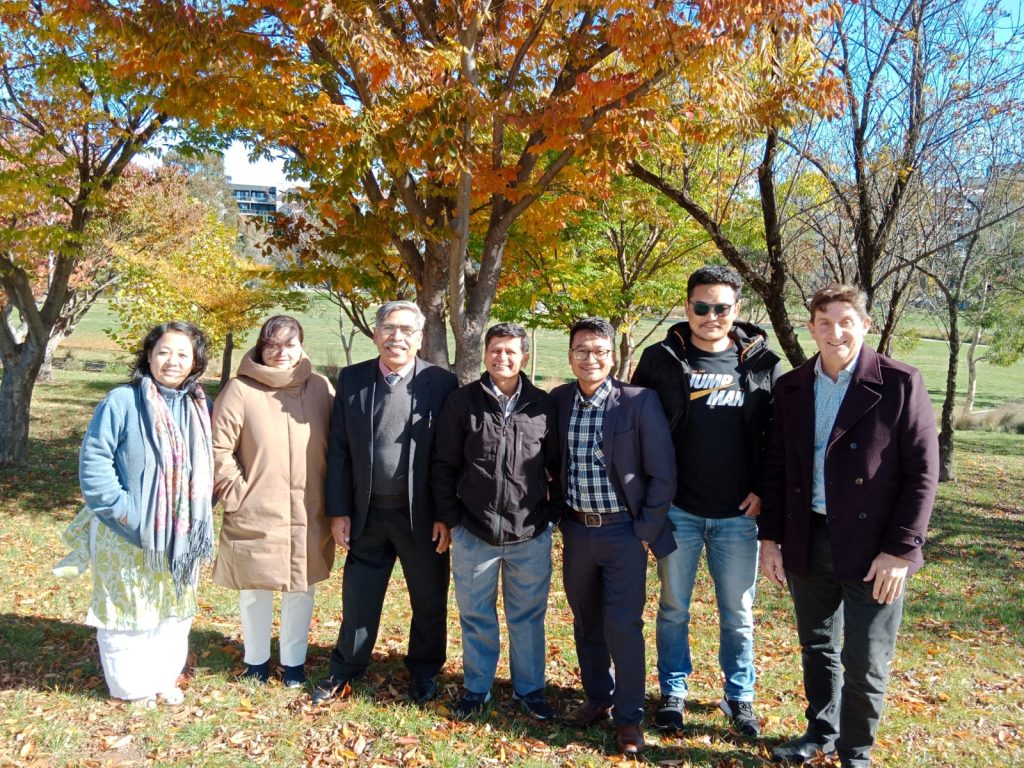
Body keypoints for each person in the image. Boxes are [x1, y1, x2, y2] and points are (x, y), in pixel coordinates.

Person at [758, 285, 939, 767]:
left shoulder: (900, 382)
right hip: (808, 537)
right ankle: (820, 731)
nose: (835, 331)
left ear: (865, 325)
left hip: (874, 548)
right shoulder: (792, 386)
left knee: (865, 660)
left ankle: (854, 752)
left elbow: (924, 472)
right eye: (824, 322)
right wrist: (770, 538)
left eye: (845, 321)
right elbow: (778, 467)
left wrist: (902, 551)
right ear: (811, 327)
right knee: (817, 645)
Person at [631, 265, 783, 736]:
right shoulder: (660, 359)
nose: (710, 315)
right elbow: (635, 426)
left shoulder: (761, 364)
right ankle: (673, 691)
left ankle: (739, 697)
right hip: (679, 512)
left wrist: (765, 489)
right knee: (673, 608)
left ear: (737, 310)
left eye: (721, 307)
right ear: (687, 307)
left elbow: (780, 440)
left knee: (738, 615)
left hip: (740, 517)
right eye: (702, 306)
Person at [312, 300, 458, 705]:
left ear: (420, 337)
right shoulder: (353, 379)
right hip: (366, 513)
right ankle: (346, 668)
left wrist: (446, 515)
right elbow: (339, 449)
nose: (397, 337)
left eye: (407, 330)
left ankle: (425, 672)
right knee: (359, 598)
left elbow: (449, 457)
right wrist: (338, 510)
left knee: (429, 599)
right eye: (389, 328)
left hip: (421, 516)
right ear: (376, 333)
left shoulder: (442, 383)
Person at [62, 321, 214, 707]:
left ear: (195, 361)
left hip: (181, 535)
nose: (172, 361)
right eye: (164, 351)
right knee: (127, 609)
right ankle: (131, 687)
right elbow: (95, 462)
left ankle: (163, 678)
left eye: (183, 353)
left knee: (172, 609)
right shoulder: (121, 402)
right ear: (148, 355)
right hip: (126, 530)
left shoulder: (201, 407)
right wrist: (127, 513)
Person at [551, 317, 677, 755]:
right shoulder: (560, 400)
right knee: (586, 622)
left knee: (622, 627)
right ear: (570, 355)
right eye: (582, 350)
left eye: (599, 351)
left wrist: (644, 532)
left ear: (613, 356)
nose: (591, 359)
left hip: (624, 533)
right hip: (577, 531)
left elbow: (663, 474)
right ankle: (597, 698)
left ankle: (629, 719)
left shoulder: (638, 402)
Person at [432, 322, 561, 720]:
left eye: (510, 351)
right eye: (495, 350)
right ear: (486, 353)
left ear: (524, 357)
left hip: (530, 533)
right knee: (476, 615)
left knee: (527, 616)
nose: (502, 358)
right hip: (475, 532)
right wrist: (453, 520)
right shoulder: (462, 402)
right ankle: (476, 688)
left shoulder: (542, 405)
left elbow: (560, 468)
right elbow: (443, 465)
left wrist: (550, 519)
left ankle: (530, 688)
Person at [211, 316, 335, 688]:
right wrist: (238, 492)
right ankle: (256, 661)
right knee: (255, 588)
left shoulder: (320, 387)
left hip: (309, 507)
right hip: (257, 507)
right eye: (272, 345)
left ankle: (294, 663)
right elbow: (218, 448)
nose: (281, 353)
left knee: (301, 586)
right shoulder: (240, 389)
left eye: (290, 344)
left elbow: (338, 442)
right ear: (261, 347)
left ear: (302, 346)